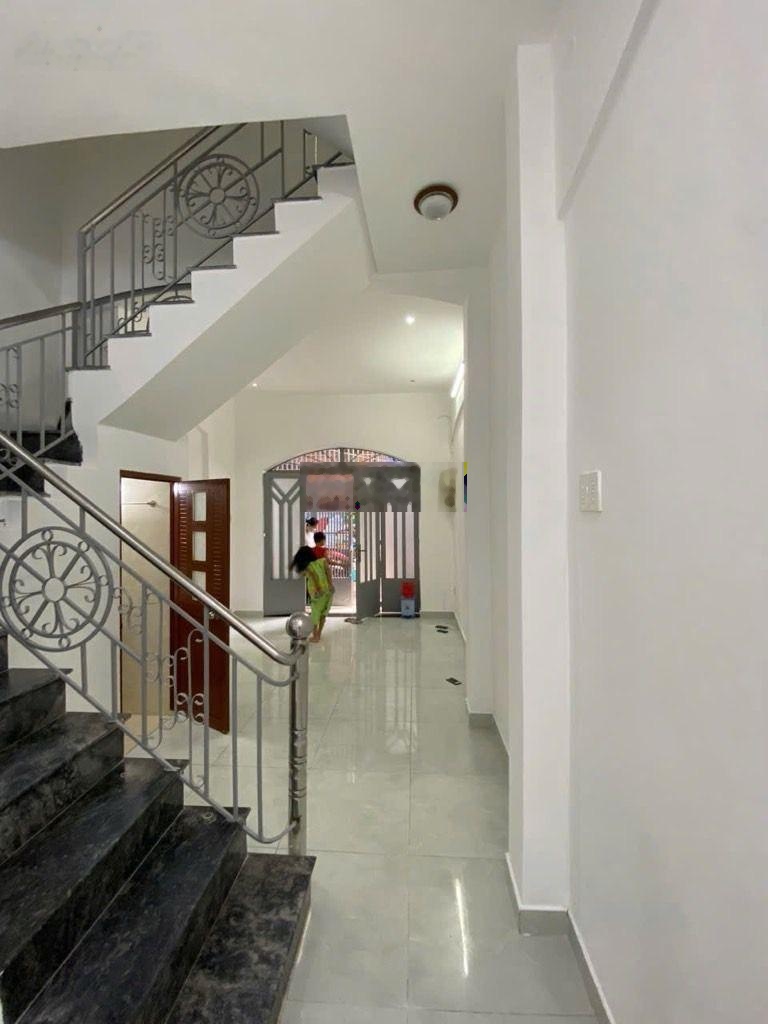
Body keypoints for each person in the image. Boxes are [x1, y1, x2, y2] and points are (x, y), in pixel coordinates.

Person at [290, 545, 334, 642]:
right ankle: (319, 634)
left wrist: (318, 588)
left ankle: (315, 636)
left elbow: (314, 576)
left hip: (317, 594)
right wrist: (331, 585)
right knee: (323, 614)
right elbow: (328, 571)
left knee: (315, 615)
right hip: (328, 592)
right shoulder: (322, 561)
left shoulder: (308, 566)